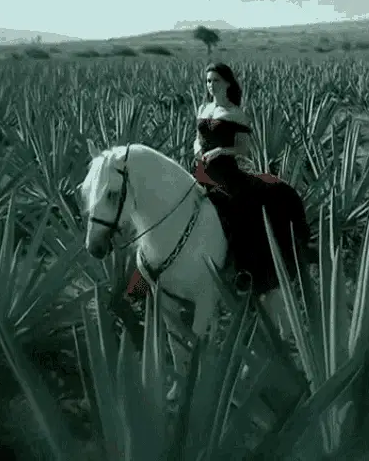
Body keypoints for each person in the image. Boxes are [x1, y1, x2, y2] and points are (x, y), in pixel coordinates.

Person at [126, 62, 310, 300]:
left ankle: (243, 271)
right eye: (208, 81)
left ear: (227, 83)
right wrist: (197, 149)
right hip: (201, 171)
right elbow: (197, 137)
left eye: (216, 81)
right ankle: (145, 276)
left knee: (238, 214)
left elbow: (243, 149)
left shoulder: (235, 113)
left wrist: (220, 151)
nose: (211, 85)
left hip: (226, 175)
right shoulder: (204, 107)